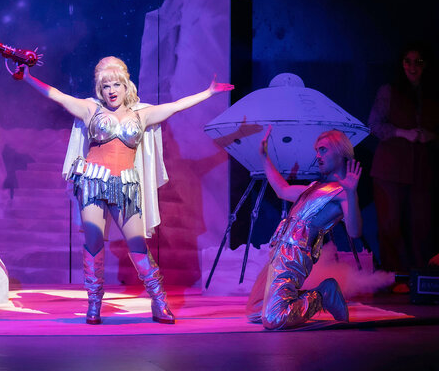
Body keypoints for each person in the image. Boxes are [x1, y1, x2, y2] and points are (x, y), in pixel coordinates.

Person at [22, 56, 233, 324]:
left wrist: (209, 92)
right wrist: (27, 77)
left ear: (126, 86)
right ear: (100, 89)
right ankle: (94, 303)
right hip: (93, 182)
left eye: (116, 85)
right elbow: (58, 96)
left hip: (126, 186)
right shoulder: (90, 109)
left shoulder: (141, 115)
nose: (111, 90)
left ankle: (158, 301)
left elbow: (176, 106)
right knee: (93, 242)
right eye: (106, 86)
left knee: (137, 244)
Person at [246, 127, 361, 329]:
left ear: (340, 152)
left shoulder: (342, 192)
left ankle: (323, 294)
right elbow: (282, 190)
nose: (318, 156)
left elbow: (354, 231)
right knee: (255, 310)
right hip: (279, 251)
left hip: (294, 254)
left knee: (273, 319)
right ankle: (290, 299)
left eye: (323, 149)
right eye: (317, 151)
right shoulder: (315, 187)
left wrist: (352, 193)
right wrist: (264, 157)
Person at [368, 43, 438, 283]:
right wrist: (402, 132)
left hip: (422, 170)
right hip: (390, 169)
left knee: (422, 227)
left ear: (426, 65)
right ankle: (395, 279)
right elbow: (374, 124)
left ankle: (422, 280)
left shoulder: (432, 94)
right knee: (390, 225)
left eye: (418, 62)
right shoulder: (389, 91)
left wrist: (431, 136)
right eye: (408, 61)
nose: (412, 67)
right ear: (401, 64)